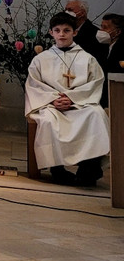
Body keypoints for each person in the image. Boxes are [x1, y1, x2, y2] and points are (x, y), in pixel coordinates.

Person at [25, 11, 110, 186]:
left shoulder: (88, 59)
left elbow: (95, 83)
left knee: (96, 115)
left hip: (80, 104)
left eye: (66, 30)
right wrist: (53, 99)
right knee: (48, 121)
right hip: (51, 105)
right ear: (51, 32)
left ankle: (89, 168)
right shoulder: (41, 59)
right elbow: (34, 85)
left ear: (75, 32)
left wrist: (71, 98)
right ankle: (57, 169)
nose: (62, 34)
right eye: (57, 30)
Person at [97, 12, 123, 107]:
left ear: (117, 32)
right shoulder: (103, 47)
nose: (101, 30)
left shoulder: (121, 49)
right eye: (101, 26)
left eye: (105, 28)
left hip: (116, 95)